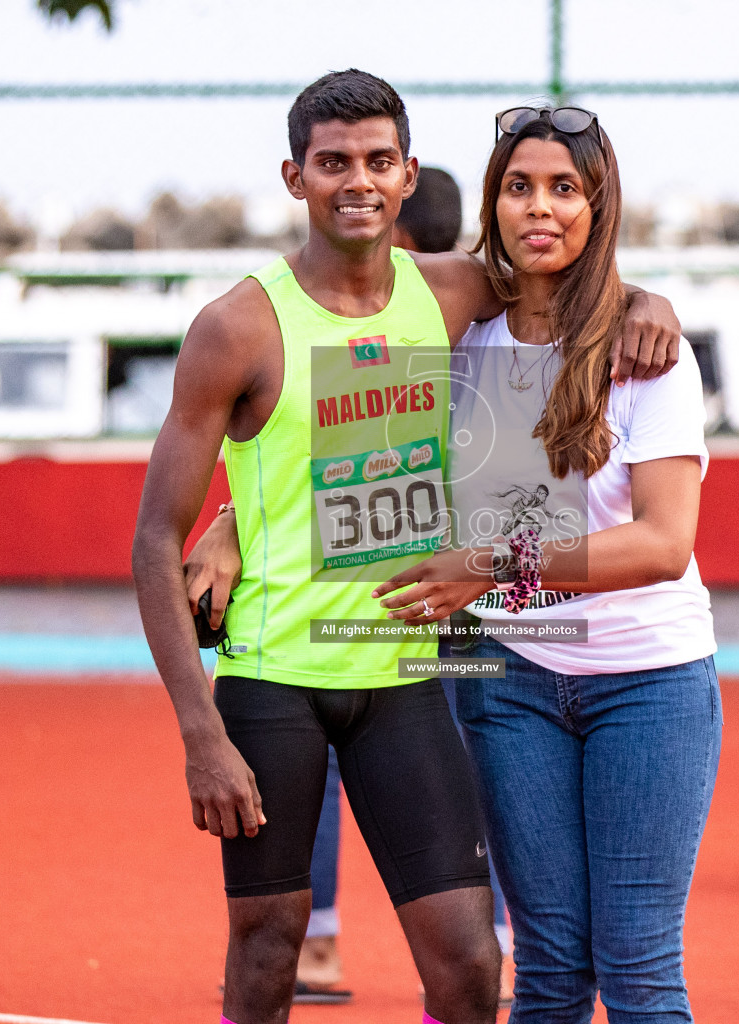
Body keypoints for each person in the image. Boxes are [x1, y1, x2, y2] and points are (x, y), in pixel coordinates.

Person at [142, 71, 681, 1024]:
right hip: (274, 677)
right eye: (334, 162)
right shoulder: (237, 326)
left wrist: (651, 303)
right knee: (268, 949)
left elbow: (566, 273)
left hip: (409, 671)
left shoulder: (448, 296)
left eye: (378, 162)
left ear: (408, 175)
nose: (358, 180)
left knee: (473, 967)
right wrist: (199, 734)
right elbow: (153, 538)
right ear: (295, 176)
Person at [372, 104, 721, 1023]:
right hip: (509, 680)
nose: (542, 208)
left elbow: (661, 545)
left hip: (648, 680)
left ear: (599, 207)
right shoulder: (456, 342)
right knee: (553, 968)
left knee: (639, 966)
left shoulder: (649, 353)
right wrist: (230, 520)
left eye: (566, 189)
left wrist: (489, 564)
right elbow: (322, 432)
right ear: (494, 204)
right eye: (519, 187)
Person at [289, 164, 517, 1005]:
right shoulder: (498, 317)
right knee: (473, 758)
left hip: (383, 583)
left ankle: (316, 943)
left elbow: (319, 460)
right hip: (474, 592)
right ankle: (490, 941)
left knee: (321, 753)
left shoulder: (385, 318)